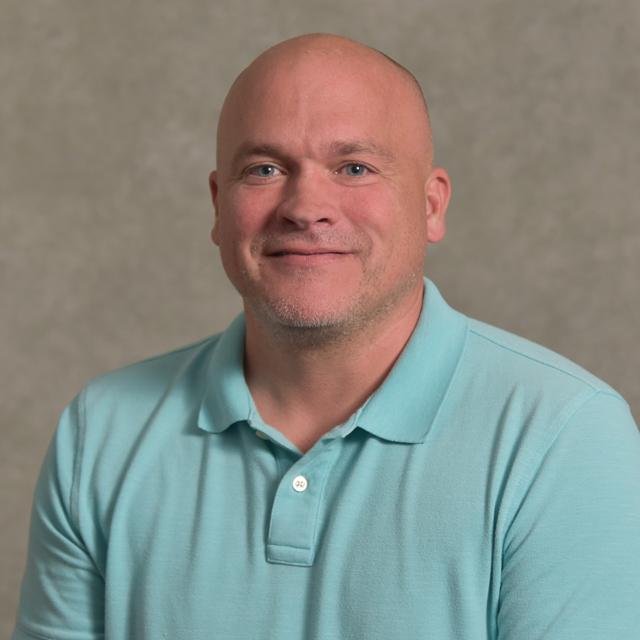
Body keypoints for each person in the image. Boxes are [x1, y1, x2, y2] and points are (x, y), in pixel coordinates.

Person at [12, 33, 640, 640]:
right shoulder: (101, 433)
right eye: (263, 168)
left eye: (355, 167)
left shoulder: (563, 438)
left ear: (431, 206)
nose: (305, 206)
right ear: (217, 206)